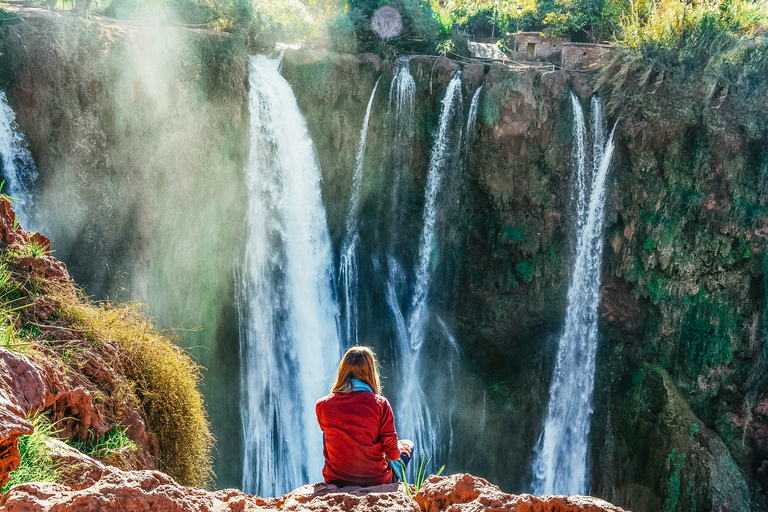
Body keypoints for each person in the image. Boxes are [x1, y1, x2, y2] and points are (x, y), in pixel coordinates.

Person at [316, 346, 414, 486]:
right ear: (371, 372)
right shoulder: (380, 404)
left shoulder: (322, 405)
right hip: (376, 480)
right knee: (408, 445)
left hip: (336, 481)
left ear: (342, 370)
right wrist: (395, 447)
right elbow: (393, 454)